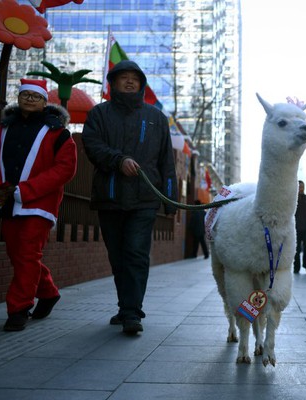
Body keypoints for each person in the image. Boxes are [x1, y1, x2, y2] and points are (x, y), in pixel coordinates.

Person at [82, 60, 178, 335]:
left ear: (141, 84)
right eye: (122, 77)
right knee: (117, 256)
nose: (128, 81)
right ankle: (126, 306)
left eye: (134, 78)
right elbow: (92, 145)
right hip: (110, 196)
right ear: (112, 83)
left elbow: (166, 162)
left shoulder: (156, 117)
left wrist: (170, 200)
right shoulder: (99, 114)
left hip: (144, 199)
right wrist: (118, 160)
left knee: (136, 253)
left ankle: (132, 312)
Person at [0, 79, 77, 331]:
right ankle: (47, 292)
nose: (30, 99)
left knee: (26, 254)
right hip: (7, 203)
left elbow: (65, 169)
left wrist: (25, 191)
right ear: (19, 98)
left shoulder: (58, 131)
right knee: (19, 256)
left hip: (39, 204)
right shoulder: (3, 129)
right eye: (25, 95)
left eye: (36, 97)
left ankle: (18, 308)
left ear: (46, 102)